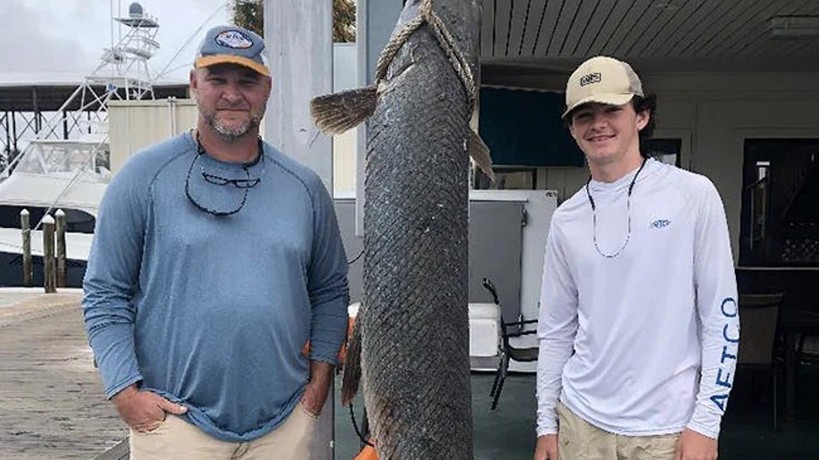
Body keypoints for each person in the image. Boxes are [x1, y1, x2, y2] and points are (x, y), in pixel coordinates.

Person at [83, 25, 350, 459]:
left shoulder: (304, 188)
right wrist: (124, 391)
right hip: (174, 426)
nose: (232, 95)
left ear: (267, 90)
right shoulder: (142, 178)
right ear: (194, 85)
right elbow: (104, 293)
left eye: (247, 81)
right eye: (217, 80)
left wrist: (320, 381)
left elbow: (330, 290)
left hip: (284, 426)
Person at [533, 56, 739, 460]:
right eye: (583, 115)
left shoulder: (692, 196)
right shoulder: (565, 219)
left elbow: (721, 317)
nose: (598, 124)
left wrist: (706, 423)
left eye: (611, 109)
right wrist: (546, 426)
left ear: (641, 116)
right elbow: (556, 331)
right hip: (580, 424)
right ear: (572, 129)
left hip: (666, 432)